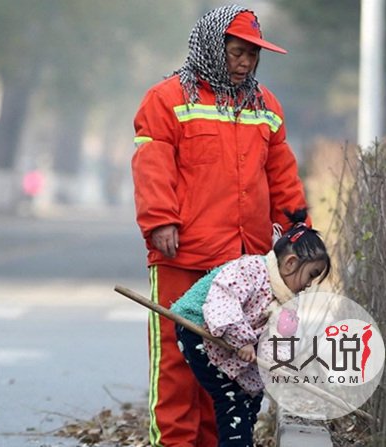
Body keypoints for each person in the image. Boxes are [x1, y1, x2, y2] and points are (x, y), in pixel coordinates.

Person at [131, 5, 311, 446]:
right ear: (213, 48)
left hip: (240, 265)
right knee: (176, 364)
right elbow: (152, 164)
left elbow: (281, 174)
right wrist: (160, 222)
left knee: (228, 363)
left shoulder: (266, 106)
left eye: (252, 55)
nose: (245, 62)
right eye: (237, 52)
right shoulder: (167, 99)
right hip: (183, 256)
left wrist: (298, 232)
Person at [171, 209, 331, 446]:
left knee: (250, 396)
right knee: (231, 398)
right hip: (199, 330)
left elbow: (280, 339)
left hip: (234, 342)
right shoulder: (251, 270)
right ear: (290, 263)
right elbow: (223, 302)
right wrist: (243, 340)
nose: (309, 284)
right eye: (311, 275)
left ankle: (242, 440)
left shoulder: (287, 303)